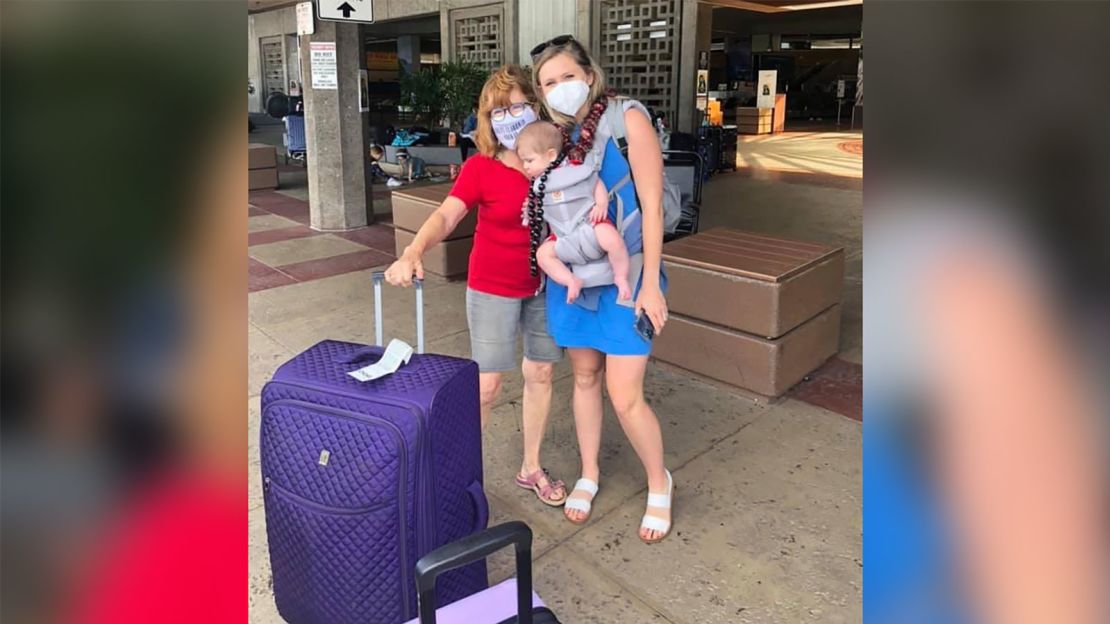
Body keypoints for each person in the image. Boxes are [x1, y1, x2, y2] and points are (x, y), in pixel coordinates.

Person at [383, 65, 568, 507]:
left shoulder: (556, 160)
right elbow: (447, 215)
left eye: (517, 106)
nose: (508, 116)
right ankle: (453, 474)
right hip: (492, 287)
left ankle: (531, 468)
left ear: (536, 106)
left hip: (546, 286)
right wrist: (413, 251)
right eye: (498, 110)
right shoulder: (481, 167)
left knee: (540, 372)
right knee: (486, 386)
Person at [530, 35, 674, 543]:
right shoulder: (553, 137)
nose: (559, 88)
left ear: (589, 75)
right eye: (549, 83)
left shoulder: (624, 118)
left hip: (626, 275)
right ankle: (590, 471)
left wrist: (651, 285)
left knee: (624, 392)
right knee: (586, 377)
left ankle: (659, 481)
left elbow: (652, 208)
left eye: (567, 77)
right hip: (571, 279)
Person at [515, 121, 632, 303]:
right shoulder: (538, 186)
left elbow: (595, 183)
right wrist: (530, 211)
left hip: (589, 225)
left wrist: (601, 204)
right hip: (562, 237)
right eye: (523, 161)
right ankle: (570, 280)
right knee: (542, 255)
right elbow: (540, 212)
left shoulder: (575, 170)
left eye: (529, 160)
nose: (525, 166)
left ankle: (621, 276)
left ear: (551, 155)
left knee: (612, 239)